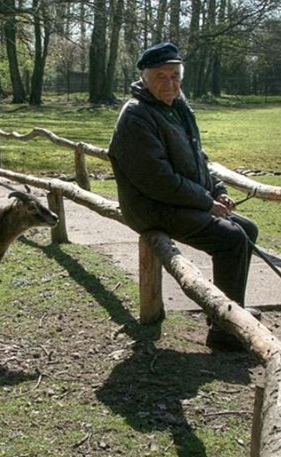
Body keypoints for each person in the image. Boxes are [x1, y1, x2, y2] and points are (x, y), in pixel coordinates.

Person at [108, 42, 260, 351]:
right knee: (230, 239)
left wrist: (217, 189)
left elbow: (197, 158)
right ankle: (224, 330)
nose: (170, 83)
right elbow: (157, 180)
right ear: (144, 78)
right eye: (161, 76)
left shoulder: (177, 106)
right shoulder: (136, 116)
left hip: (177, 200)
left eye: (175, 76)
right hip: (152, 208)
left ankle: (230, 311)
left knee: (247, 229)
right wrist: (206, 203)